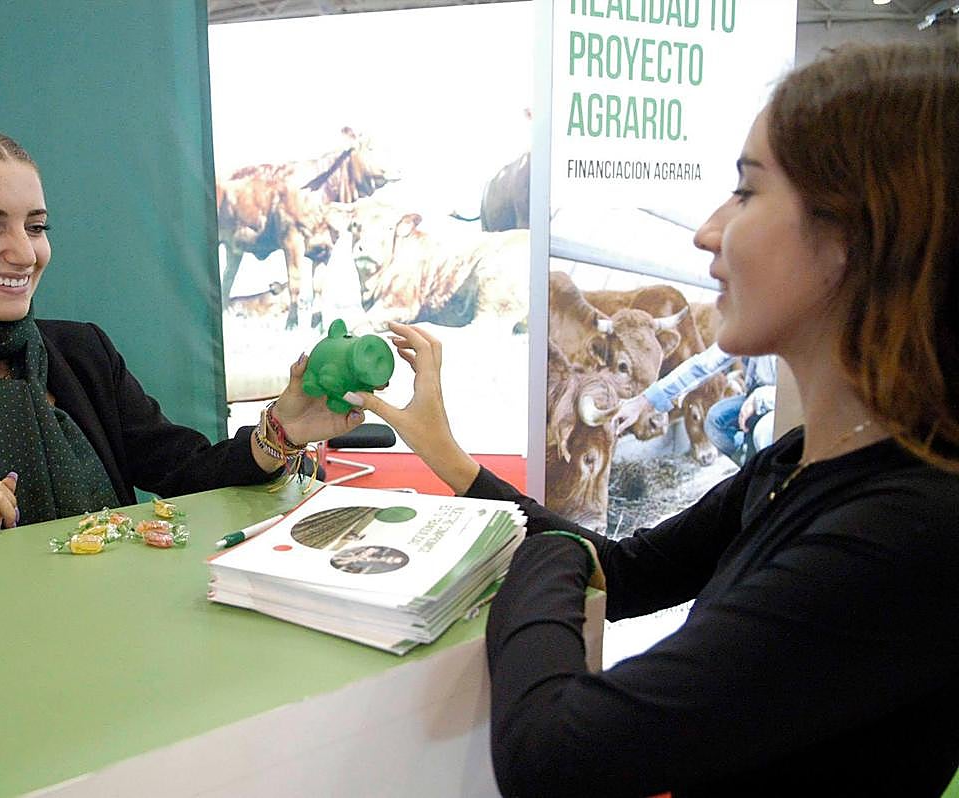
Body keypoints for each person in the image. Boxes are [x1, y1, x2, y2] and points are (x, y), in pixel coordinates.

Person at [346, 41, 959, 796]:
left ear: (852, 235)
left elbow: (554, 755)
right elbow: (628, 572)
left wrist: (542, 560)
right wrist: (454, 463)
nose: (707, 231)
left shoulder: (906, 533)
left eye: (746, 191)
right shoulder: (801, 464)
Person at [0, 121, 360, 567]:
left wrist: (284, 428)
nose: (24, 252)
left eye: (35, 226)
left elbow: (187, 471)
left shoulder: (84, 354)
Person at [612, 343, 779, 464]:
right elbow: (703, 365)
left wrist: (761, 399)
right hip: (757, 395)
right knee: (717, 418)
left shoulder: (797, 319)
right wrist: (644, 400)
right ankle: (753, 472)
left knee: (764, 430)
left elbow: (804, 391)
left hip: (787, 405)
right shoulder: (753, 324)